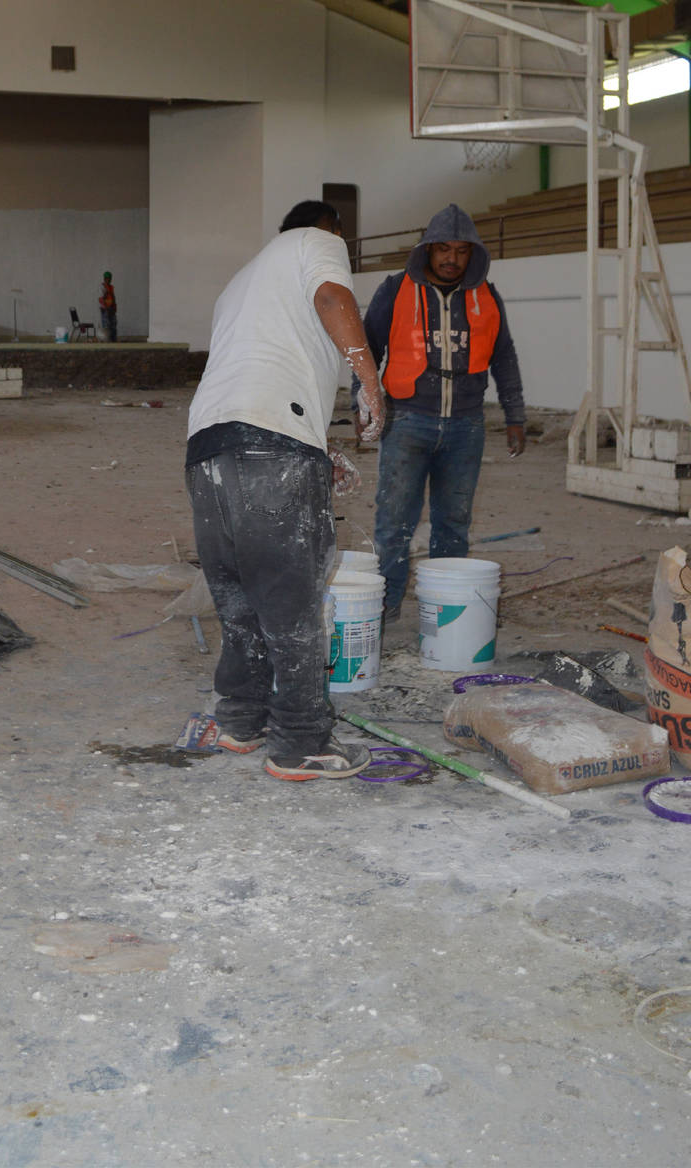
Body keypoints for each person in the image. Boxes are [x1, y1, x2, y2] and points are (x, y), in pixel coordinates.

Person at [186, 200, 386, 781]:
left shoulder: (239, 284)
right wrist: (368, 381)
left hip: (207, 447)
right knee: (291, 599)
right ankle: (300, 742)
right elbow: (332, 300)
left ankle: (240, 721)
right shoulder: (316, 243)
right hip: (270, 445)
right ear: (333, 232)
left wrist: (317, 451)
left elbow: (262, 369)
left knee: (240, 598)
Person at [356, 203, 525, 620]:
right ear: (428, 250)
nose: (452, 259)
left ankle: (447, 609)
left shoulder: (487, 296)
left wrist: (515, 415)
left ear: (473, 254)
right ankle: (385, 606)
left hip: (466, 426)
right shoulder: (395, 290)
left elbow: (504, 356)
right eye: (443, 249)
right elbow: (365, 350)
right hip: (406, 421)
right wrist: (361, 406)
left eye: (462, 251)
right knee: (394, 522)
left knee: (453, 524)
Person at [98, 271, 117, 342]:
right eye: (107, 278)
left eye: (110, 278)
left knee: (113, 326)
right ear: (104, 278)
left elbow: (113, 297)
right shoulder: (102, 287)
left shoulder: (111, 287)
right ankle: (107, 341)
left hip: (112, 309)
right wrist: (106, 308)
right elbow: (100, 299)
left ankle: (114, 340)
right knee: (106, 326)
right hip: (105, 310)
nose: (109, 280)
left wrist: (114, 306)